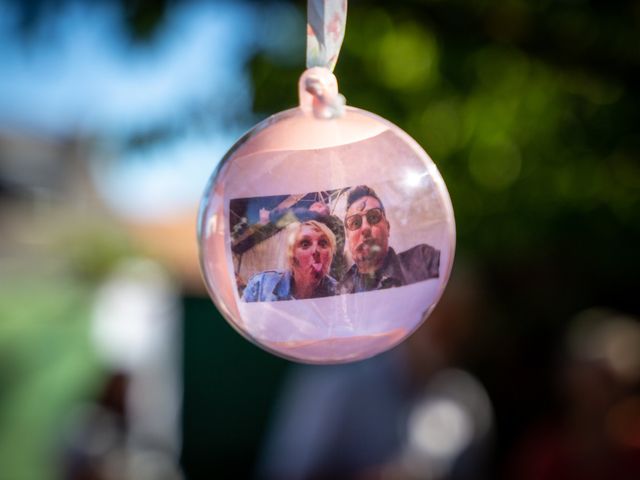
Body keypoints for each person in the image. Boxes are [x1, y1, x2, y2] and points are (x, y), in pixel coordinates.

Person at [340, 185, 440, 293]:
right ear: (348, 237)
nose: (365, 228)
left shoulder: (423, 260)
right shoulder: (340, 290)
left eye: (373, 217)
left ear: (387, 227)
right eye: (355, 223)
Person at [242, 220, 338, 302]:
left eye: (323, 243)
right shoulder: (260, 286)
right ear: (292, 257)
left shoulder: (339, 294)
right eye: (305, 244)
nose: (315, 251)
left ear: (331, 254)